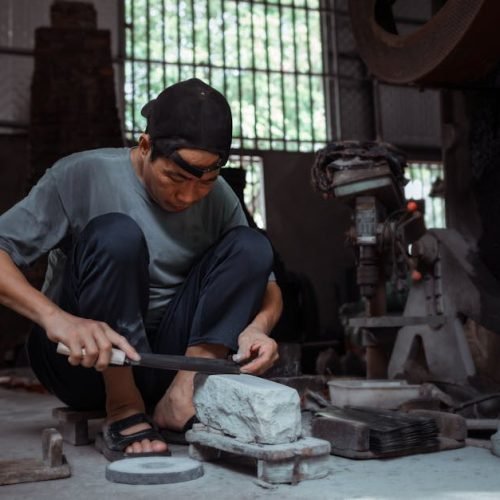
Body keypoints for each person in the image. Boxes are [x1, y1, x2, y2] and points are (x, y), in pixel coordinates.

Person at [0, 78, 282, 460]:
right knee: (116, 235)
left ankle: (181, 397)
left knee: (252, 244)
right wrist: (57, 319)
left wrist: (257, 327)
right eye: (175, 178)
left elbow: (266, 284)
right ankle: (123, 405)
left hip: (166, 363)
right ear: (146, 145)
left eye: (205, 182)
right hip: (83, 361)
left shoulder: (217, 198)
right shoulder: (81, 174)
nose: (187, 196)